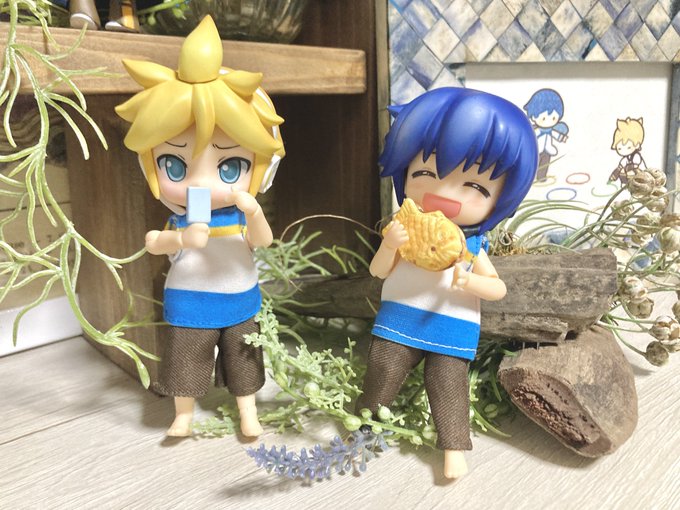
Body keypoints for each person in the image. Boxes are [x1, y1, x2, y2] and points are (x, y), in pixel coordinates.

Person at [115, 16, 285, 437]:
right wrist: (182, 237)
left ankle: (248, 411)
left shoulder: (238, 216)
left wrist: (254, 212)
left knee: (244, 358)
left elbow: (262, 241)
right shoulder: (181, 217)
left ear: (261, 170)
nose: (201, 185)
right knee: (186, 358)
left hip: (240, 299)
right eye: (174, 165)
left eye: (230, 167)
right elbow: (154, 242)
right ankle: (183, 414)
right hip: (190, 302)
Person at [357, 87, 537, 478]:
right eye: (424, 174)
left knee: (448, 385)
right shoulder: (404, 229)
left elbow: (497, 288)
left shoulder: (472, 246)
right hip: (399, 320)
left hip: (451, 328)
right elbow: (378, 271)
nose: (442, 195)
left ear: (500, 200)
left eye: (476, 187)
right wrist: (390, 245)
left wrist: (469, 282)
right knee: (382, 370)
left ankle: (454, 448)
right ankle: (364, 431)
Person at [523, 88, 568, 182]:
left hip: (547, 150)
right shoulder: (535, 130)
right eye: (543, 118)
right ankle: (528, 179)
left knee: (545, 164)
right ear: (533, 117)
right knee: (532, 165)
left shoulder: (551, 130)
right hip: (535, 150)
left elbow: (556, 135)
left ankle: (541, 177)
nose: (549, 121)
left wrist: (562, 138)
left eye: (554, 118)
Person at [609, 117, 646, 185]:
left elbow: (636, 167)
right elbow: (619, 168)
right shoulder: (625, 159)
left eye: (628, 147)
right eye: (619, 148)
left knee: (630, 172)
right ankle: (624, 185)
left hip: (639, 177)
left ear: (637, 145)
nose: (623, 151)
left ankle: (631, 186)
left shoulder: (636, 156)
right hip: (627, 177)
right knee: (622, 171)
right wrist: (613, 177)